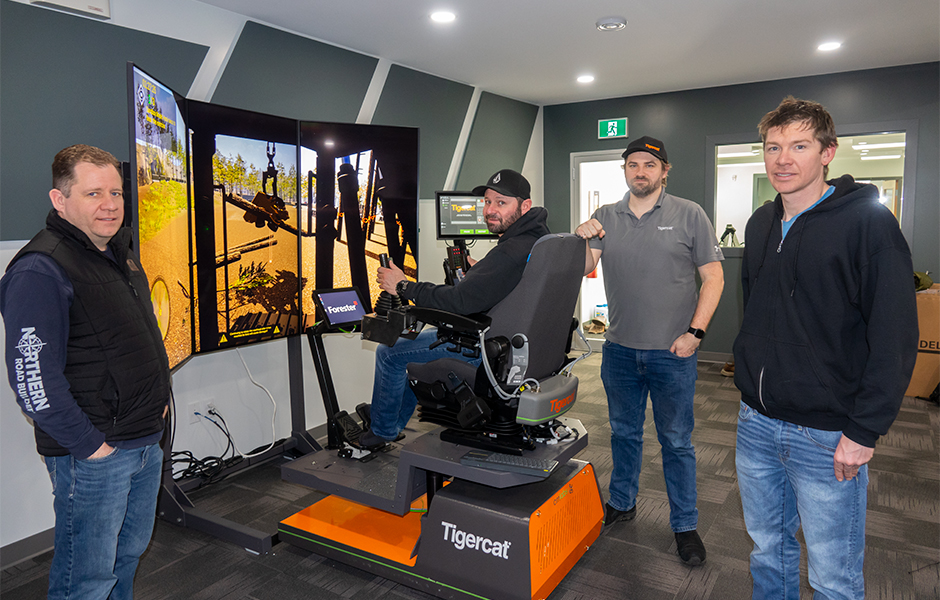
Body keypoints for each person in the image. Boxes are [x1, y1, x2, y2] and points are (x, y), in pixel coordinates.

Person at [733, 97, 918, 599]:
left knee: (833, 576)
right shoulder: (760, 223)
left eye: (799, 146)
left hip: (827, 434)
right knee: (767, 552)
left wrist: (864, 430)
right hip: (756, 424)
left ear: (828, 152)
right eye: (773, 147)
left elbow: (895, 335)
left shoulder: (867, 224)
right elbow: (757, 314)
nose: (783, 159)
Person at [1, 145, 171, 600]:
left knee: (127, 555)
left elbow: (138, 336)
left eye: (115, 192)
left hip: (142, 440)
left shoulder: (120, 253)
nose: (110, 204)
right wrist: (90, 448)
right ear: (60, 200)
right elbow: (32, 379)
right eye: (94, 193)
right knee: (87, 577)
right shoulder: (41, 268)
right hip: (95, 454)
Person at [576, 136, 724, 566]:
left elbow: (712, 278)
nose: (640, 171)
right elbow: (586, 266)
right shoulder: (606, 215)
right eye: (632, 164)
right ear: (624, 170)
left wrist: (695, 333)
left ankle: (685, 524)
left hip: (672, 353)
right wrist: (582, 235)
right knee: (623, 434)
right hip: (619, 349)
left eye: (649, 165)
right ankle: (622, 502)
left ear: (664, 171)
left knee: (676, 441)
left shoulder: (689, 214)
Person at [359, 169, 550, 447]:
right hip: (513, 343)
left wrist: (403, 286)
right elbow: (506, 283)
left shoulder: (510, 251)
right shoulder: (537, 240)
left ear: (525, 206)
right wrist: (482, 272)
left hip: (487, 348)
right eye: (487, 202)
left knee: (389, 352)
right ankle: (388, 422)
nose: (490, 210)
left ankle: (382, 431)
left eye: (501, 202)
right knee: (408, 351)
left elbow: (460, 302)